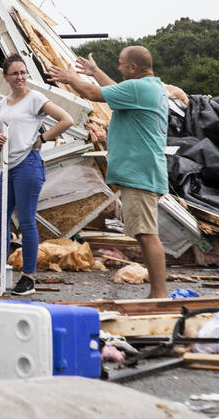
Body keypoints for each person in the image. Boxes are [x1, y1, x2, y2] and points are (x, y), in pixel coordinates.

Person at [48, 47, 169, 298]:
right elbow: (114, 87)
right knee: (143, 232)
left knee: (147, 234)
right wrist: (94, 71)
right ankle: (156, 292)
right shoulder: (146, 87)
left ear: (133, 68)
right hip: (142, 171)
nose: (119, 67)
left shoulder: (140, 88)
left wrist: (71, 78)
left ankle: (159, 293)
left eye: (122, 63)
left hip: (140, 173)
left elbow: (93, 93)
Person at [0, 54, 74, 296]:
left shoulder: (35, 98)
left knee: (26, 222)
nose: (20, 77)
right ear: (5, 76)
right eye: (15, 73)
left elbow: (66, 119)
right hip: (9, 166)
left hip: (29, 165)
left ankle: (28, 277)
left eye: (23, 72)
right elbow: (0, 131)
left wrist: (42, 139)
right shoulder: (4, 103)